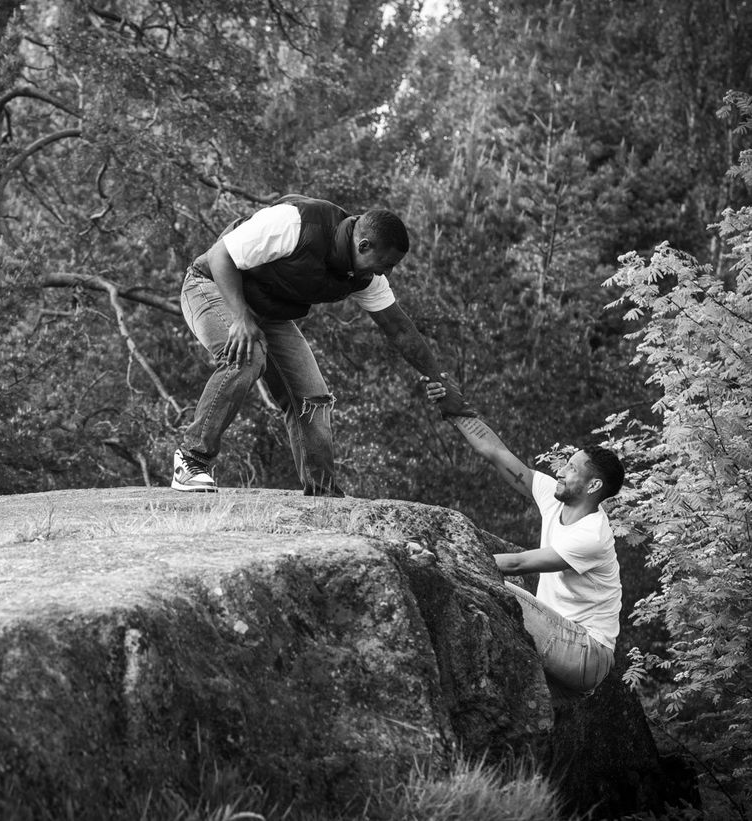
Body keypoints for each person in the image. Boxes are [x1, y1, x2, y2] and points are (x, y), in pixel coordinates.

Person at [172, 194, 472, 494]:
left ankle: (322, 493)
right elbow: (220, 257)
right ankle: (191, 460)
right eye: (385, 264)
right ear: (363, 246)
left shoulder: (364, 276)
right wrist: (239, 317)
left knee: (313, 396)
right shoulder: (296, 223)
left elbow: (399, 329)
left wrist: (438, 380)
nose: (385, 273)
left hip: (265, 311)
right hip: (210, 285)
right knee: (249, 355)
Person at [424, 376, 624, 697]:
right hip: (561, 637)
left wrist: (448, 560)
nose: (560, 471)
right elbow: (496, 453)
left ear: (594, 486)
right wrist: (455, 411)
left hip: (587, 653)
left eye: (572, 469)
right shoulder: (553, 497)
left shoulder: (592, 535)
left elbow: (517, 563)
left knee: (492, 588)